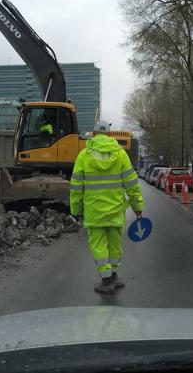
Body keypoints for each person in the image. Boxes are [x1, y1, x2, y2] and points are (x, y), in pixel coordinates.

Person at [69, 121, 144, 295]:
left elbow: (76, 187)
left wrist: (75, 210)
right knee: (114, 244)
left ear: (93, 135)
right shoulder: (121, 155)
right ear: (110, 135)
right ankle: (115, 276)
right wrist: (137, 206)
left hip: (94, 212)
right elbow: (132, 183)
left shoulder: (84, 156)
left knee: (99, 246)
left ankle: (106, 280)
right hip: (116, 210)